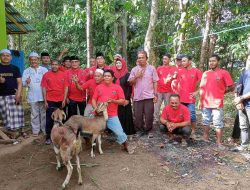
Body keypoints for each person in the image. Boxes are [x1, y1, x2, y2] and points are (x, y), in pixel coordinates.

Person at [92, 69, 134, 154]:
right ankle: (90, 145)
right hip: (99, 115)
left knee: (119, 132)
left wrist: (113, 101)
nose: (106, 77)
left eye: (108, 76)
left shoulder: (117, 88)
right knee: (89, 129)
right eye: (105, 76)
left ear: (112, 78)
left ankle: (126, 145)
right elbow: (93, 99)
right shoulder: (99, 87)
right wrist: (96, 108)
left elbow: (122, 101)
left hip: (111, 115)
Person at [199, 54, 234, 147]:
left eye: (213, 61)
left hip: (217, 103)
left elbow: (231, 86)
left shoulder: (224, 73)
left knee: (218, 123)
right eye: (210, 61)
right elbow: (202, 88)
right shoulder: (205, 73)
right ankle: (205, 137)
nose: (211, 63)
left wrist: (222, 92)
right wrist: (200, 101)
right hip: (206, 102)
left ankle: (218, 142)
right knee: (205, 121)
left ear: (218, 62)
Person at [128, 50, 159, 136]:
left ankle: (148, 130)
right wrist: (136, 76)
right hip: (138, 96)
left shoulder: (152, 68)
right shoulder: (134, 69)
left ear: (146, 58)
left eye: (142, 57)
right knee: (138, 115)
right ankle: (139, 130)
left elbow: (155, 81)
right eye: (139, 58)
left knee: (149, 114)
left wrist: (155, 94)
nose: (140, 59)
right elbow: (130, 82)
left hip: (149, 96)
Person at [41, 60, 68, 144]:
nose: (54, 66)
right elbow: (44, 88)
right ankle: (48, 137)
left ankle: (61, 136)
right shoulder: (46, 75)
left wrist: (64, 99)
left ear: (59, 65)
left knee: (61, 119)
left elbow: (66, 87)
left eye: (56, 64)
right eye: (53, 64)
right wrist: (45, 101)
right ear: (51, 65)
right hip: (50, 100)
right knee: (49, 119)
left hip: (60, 100)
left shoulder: (63, 74)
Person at [0, 49, 25, 135]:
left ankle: (19, 131)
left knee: (17, 114)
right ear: (0, 57)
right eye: (3, 55)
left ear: (11, 57)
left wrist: (18, 93)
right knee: (5, 115)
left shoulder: (15, 68)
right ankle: (9, 132)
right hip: (1, 96)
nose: (5, 57)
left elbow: (19, 82)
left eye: (7, 55)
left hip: (13, 95)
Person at [22, 52, 48, 136]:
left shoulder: (44, 70)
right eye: (32, 60)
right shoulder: (26, 71)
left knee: (44, 114)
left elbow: (49, 81)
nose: (33, 61)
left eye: (35, 59)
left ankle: (44, 129)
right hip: (33, 96)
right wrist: (26, 81)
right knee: (34, 114)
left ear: (38, 60)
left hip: (43, 96)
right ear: (29, 60)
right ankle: (35, 131)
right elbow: (23, 84)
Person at [178, 55, 202, 138]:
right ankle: (182, 131)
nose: (182, 62)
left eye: (184, 61)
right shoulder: (180, 71)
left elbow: (203, 84)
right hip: (181, 98)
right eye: (182, 61)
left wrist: (197, 92)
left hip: (190, 98)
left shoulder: (196, 71)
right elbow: (178, 83)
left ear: (190, 61)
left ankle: (193, 131)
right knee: (181, 115)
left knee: (192, 115)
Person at [112, 57, 135, 136]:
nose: (118, 65)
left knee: (125, 114)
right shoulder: (113, 75)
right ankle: (117, 131)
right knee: (116, 115)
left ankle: (126, 131)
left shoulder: (127, 74)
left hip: (125, 98)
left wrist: (127, 99)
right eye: (117, 63)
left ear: (123, 64)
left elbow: (130, 87)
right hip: (115, 98)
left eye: (120, 63)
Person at [233, 53, 250, 150]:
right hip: (242, 103)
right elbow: (238, 87)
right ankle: (244, 145)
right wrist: (238, 101)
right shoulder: (245, 72)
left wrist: (241, 98)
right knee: (243, 126)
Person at [154, 53, 175, 125]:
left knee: (167, 107)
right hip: (159, 91)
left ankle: (166, 120)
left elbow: (174, 77)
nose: (164, 60)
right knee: (156, 106)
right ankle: (156, 119)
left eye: (166, 59)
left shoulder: (172, 68)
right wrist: (155, 91)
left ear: (169, 60)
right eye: (163, 59)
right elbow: (155, 79)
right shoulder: (159, 68)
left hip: (168, 91)